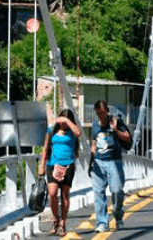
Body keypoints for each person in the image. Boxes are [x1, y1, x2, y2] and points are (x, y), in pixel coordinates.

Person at [90, 100, 131, 233]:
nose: (101, 115)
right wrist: (91, 162)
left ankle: (118, 216)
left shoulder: (116, 122)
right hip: (98, 162)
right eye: (98, 113)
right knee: (98, 193)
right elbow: (93, 144)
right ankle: (102, 222)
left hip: (114, 162)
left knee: (117, 191)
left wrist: (115, 130)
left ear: (107, 111)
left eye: (103, 113)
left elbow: (127, 137)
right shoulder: (95, 125)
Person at [39, 108, 81, 236]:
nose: (63, 124)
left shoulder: (72, 131)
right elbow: (45, 148)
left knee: (64, 195)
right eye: (61, 121)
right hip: (52, 165)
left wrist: (67, 121)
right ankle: (55, 219)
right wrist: (41, 166)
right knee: (52, 193)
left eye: (65, 121)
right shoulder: (51, 130)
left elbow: (79, 132)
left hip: (68, 166)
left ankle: (63, 222)